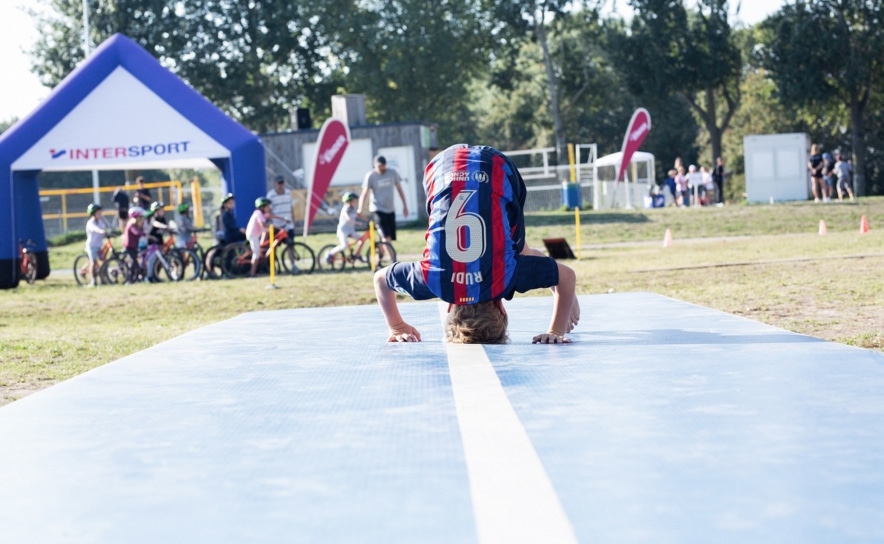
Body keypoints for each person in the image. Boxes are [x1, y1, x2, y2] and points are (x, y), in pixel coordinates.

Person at [373, 144, 579, 345]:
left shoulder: (505, 279)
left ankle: (554, 282)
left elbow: (567, 277)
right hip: (442, 166)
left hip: (496, 166)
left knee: (518, 250)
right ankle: (553, 281)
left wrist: (556, 329)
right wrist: (397, 326)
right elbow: (381, 279)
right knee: (515, 250)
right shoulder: (434, 281)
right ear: (449, 307)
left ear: (501, 307)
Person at [359, 155, 409, 246]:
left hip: (390, 209)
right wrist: (360, 209)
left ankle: (380, 254)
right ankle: (393, 259)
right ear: (374, 165)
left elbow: (400, 190)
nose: (382, 168)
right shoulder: (371, 176)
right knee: (386, 237)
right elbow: (365, 193)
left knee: (388, 236)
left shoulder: (392, 173)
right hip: (377, 209)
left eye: (383, 166)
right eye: (379, 166)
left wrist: (405, 206)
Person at [325, 192, 364, 264]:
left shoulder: (354, 208)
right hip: (343, 231)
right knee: (344, 246)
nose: (355, 202)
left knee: (362, 239)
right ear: (349, 201)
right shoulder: (345, 209)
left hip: (350, 230)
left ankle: (357, 254)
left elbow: (358, 214)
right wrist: (357, 223)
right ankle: (330, 254)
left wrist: (367, 220)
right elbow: (348, 218)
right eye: (354, 201)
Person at [145, 201, 171, 282]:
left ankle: (156, 276)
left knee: (161, 260)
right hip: (152, 243)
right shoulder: (153, 218)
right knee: (152, 260)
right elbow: (156, 224)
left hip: (160, 242)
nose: (163, 211)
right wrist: (164, 226)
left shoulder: (162, 219)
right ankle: (149, 277)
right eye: (161, 209)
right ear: (156, 211)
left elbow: (167, 227)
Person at [246, 197, 271, 277]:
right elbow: (262, 225)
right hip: (253, 235)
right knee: (256, 254)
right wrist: (274, 227)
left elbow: (272, 216)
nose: (269, 208)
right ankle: (252, 273)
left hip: (256, 235)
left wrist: (283, 219)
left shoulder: (262, 214)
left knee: (261, 247)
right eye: (267, 206)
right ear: (262, 207)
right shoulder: (258, 214)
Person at [84, 204, 107, 287]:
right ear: (93, 214)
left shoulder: (100, 221)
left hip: (99, 245)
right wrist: (101, 231)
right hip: (92, 246)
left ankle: (103, 278)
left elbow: (103, 228)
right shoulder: (90, 223)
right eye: (98, 213)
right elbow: (95, 229)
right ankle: (93, 281)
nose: (100, 215)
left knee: (104, 261)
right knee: (93, 262)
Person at [122, 208, 147, 282]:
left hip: (134, 246)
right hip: (129, 246)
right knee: (134, 262)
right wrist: (144, 234)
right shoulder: (131, 224)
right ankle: (130, 280)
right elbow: (136, 233)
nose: (142, 219)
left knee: (135, 262)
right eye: (141, 217)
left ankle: (136, 278)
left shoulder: (136, 224)